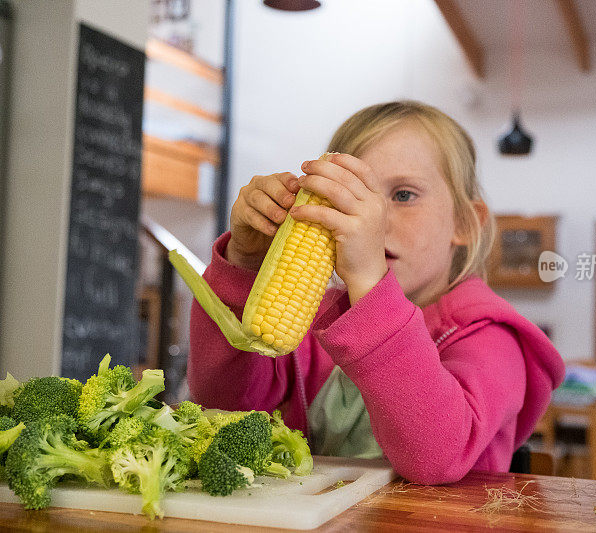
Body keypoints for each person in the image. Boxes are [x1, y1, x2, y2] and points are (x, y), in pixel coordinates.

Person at [188, 100, 565, 484]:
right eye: (350, 195)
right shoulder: (312, 326)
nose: (372, 218)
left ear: (466, 224)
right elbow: (226, 405)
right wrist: (245, 264)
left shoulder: (493, 340)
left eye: (403, 195)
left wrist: (370, 283)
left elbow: (437, 456)